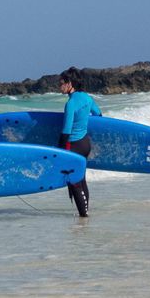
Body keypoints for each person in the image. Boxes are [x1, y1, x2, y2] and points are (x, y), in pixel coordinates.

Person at [58, 67, 102, 217]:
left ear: (70, 83)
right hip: (85, 144)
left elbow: (66, 131)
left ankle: (84, 216)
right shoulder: (87, 98)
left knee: (75, 184)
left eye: (62, 82)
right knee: (82, 180)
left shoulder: (70, 104)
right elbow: (98, 114)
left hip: (73, 146)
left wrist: (59, 152)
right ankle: (85, 212)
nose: (60, 86)